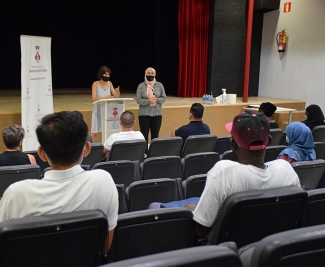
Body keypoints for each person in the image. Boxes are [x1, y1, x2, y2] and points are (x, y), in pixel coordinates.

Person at [0, 111, 118, 267]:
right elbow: (105, 247)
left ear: (42, 154)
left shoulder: (18, 193)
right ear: (87, 149)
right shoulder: (104, 180)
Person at [150, 111, 301, 239]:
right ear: (268, 141)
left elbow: (200, 230)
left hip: (225, 248)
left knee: (154, 206)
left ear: (233, 144)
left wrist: (193, 211)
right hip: (266, 242)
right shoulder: (286, 170)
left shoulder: (224, 172)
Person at [136, 67, 166, 145]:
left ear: (155, 75)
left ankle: (154, 152)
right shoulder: (141, 86)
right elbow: (138, 100)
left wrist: (156, 100)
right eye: (148, 73)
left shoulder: (159, 85)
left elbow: (164, 98)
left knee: (155, 135)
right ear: (145, 74)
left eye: (152, 73)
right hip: (144, 114)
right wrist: (149, 101)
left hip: (157, 113)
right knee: (144, 134)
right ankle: (144, 152)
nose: (150, 75)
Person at [91, 66, 120, 141]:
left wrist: (117, 91)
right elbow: (94, 99)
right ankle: (90, 148)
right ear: (101, 75)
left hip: (108, 110)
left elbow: (116, 96)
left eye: (108, 74)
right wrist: (106, 98)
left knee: (108, 131)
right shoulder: (95, 84)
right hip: (98, 110)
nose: (107, 76)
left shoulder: (109, 83)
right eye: (105, 74)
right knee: (94, 132)